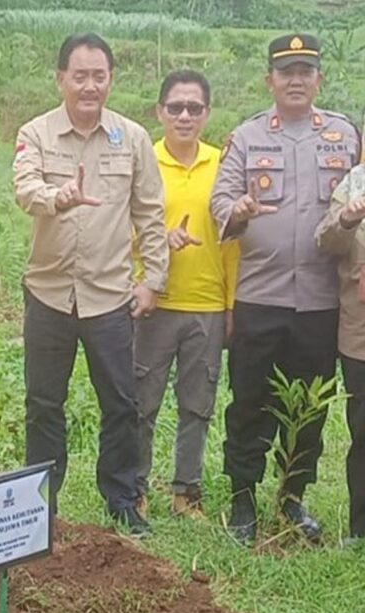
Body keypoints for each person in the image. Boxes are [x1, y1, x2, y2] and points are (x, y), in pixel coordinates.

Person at [13, 33, 167, 536]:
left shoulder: (133, 138)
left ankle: (121, 498)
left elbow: (149, 213)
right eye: (79, 75)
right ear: (60, 79)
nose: (89, 86)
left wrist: (153, 281)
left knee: (121, 402)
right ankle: (42, 503)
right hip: (49, 295)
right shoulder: (36, 133)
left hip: (110, 299)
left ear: (110, 79)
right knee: (43, 404)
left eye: (98, 76)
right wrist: (58, 196)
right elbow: (24, 188)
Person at [210, 33, 358, 545]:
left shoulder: (344, 136)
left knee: (309, 406)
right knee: (249, 401)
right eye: (286, 71)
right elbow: (220, 201)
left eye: (305, 70)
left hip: (320, 301)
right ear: (269, 80)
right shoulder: (248, 138)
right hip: (260, 296)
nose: (296, 79)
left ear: (319, 78)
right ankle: (243, 501)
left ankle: (292, 497)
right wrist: (238, 211)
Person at [134, 70, 239, 519]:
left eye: (194, 108)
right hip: (152, 303)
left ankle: (186, 492)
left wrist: (232, 305)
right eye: (175, 107)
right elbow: (120, 232)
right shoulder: (143, 161)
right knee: (141, 404)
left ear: (206, 114)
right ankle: (134, 487)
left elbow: (235, 242)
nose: (184, 116)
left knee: (198, 405)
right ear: (159, 111)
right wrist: (158, 241)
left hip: (208, 305)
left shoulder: (224, 164)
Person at [315, 151, 365, 548]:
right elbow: (326, 241)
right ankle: (360, 529)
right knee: (363, 432)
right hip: (359, 331)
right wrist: (347, 219)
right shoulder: (354, 183)